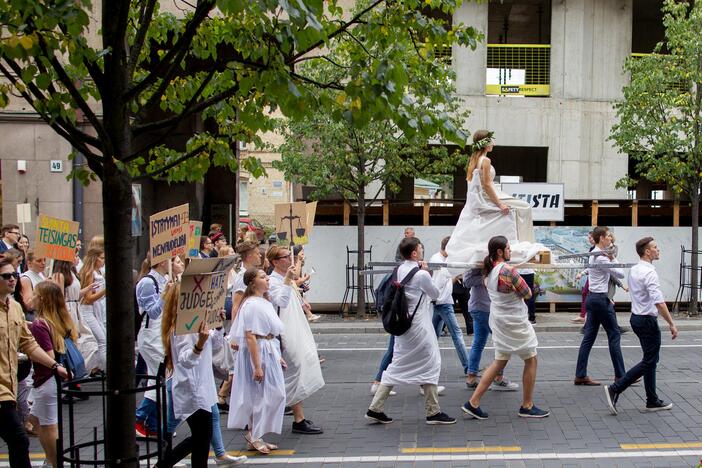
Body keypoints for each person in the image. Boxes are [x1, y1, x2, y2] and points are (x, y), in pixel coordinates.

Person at [366, 237, 456, 426]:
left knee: (396, 364)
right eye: (420, 249)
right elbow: (436, 294)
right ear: (414, 253)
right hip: (419, 327)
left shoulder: (398, 270)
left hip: (403, 325)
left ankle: (375, 408)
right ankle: (433, 411)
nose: (422, 251)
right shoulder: (421, 274)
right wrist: (426, 272)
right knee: (432, 361)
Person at [461, 236, 549, 420]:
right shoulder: (509, 271)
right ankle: (527, 405)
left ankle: (473, 402)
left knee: (500, 360)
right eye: (508, 248)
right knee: (531, 359)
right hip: (515, 322)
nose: (511, 251)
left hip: (499, 321)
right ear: (500, 251)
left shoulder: (488, 272)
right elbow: (527, 293)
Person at [0, 258, 69, 468]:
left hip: (10, 387)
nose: (13, 279)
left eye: (15, 275)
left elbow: (28, 344)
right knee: (19, 439)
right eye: (6, 276)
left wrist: (54, 366)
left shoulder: (15, 308)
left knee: (18, 439)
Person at [446, 130, 542, 266]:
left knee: (522, 206)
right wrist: (500, 204)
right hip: (487, 196)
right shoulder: (485, 160)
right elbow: (486, 185)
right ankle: (526, 242)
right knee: (525, 207)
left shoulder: (475, 160)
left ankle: (523, 242)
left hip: (486, 195)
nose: (493, 143)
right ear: (485, 143)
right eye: (491, 140)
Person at [604, 237, 678, 415]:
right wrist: (672, 323)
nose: (658, 250)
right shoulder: (650, 273)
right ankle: (616, 388)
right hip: (647, 320)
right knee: (650, 361)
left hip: (636, 317)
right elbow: (659, 302)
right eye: (655, 247)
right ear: (647, 252)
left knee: (649, 360)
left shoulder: (636, 269)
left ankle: (652, 400)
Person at [160, 283, 225, 468]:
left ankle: (163, 464)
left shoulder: (197, 322)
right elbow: (185, 361)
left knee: (201, 438)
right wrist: (200, 344)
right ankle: (163, 464)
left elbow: (216, 347)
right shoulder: (182, 327)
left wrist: (219, 327)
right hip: (192, 388)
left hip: (203, 387)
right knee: (201, 438)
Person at [228, 268, 286, 454]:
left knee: (273, 394)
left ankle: (255, 434)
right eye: (262, 277)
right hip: (258, 351)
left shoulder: (263, 301)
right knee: (260, 395)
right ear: (252, 283)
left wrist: (277, 356)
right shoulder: (252, 304)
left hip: (267, 349)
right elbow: (251, 335)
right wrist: (257, 366)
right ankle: (253, 435)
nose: (267, 279)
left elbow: (269, 333)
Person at [267, 245, 324, 434]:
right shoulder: (273, 281)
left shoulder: (286, 279)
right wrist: (288, 280)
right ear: (275, 261)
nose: (290, 259)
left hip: (295, 328)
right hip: (283, 333)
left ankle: (299, 418)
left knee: (296, 369)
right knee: (291, 371)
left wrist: (302, 301)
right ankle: (263, 415)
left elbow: (292, 297)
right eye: (285, 257)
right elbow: (280, 302)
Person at [28, 281, 79, 468]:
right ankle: (50, 460)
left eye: (34, 294)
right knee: (34, 420)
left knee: (49, 426)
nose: (31, 298)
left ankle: (55, 462)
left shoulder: (40, 324)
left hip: (46, 380)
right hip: (53, 381)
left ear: (41, 299)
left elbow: (48, 356)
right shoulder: (60, 319)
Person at [574, 226, 626, 386]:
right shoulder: (602, 258)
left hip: (592, 298)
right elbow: (621, 273)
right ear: (602, 238)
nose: (611, 239)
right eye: (609, 236)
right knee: (614, 334)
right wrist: (611, 258)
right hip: (600, 300)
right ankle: (621, 376)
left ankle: (580, 375)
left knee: (589, 337)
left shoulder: (593, 254)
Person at [463, 268, 518, 391]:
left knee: (479, 342)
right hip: (483, 308)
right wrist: (485, 279)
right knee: (502, 342)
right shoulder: (479, 261)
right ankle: (497, 377)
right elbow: (466, 281)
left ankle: (472, 378)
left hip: (483, 307)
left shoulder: (491, 262)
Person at [135, 258, 171, 437]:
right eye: (174, 259)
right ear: (162, 262)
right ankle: (138, 418)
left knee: (155, 379)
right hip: (150, 337)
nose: (177, 262)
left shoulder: (165, 280)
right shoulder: (148, 282)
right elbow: (153, 312)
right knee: (161, 378)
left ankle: (152, 424)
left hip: (159, 335)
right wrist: (166, 295)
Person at [51, 260, 98, 399]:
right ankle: (70, 383)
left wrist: (88, 288)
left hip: (75, 311)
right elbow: (59, 298)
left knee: (79, 345)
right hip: (67, 312)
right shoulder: (59, 275)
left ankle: (76, 381)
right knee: (69, 348)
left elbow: (75, 295)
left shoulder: (71, 272)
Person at [429, 236, 471, 378]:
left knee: (433, 336)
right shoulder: (438, 261)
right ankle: (468, 367)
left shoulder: (438, 259)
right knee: (457, 334)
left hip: (440, 302)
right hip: (443, 302)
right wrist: (438, 299)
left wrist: (454, 277)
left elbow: (442, 282)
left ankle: (426, 364)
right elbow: (438, 284)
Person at [78, 248, 107, 372]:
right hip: (88, 310)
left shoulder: (99, 272)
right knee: (102, 340)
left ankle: (99, 367)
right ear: (94, 258)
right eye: (101, 258)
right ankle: (104, 369)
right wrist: (105, 291)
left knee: (103, 339)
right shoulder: (89, 273)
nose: (103, 261)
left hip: (98, 309)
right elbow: (88, 298)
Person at [572, 231, 595, 324]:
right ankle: (583, 315)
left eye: (591, 238)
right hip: (591, 275)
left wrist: (582, 273)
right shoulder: (592, 249)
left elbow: (592, 265)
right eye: (589, 238)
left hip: (594, 276)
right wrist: (583, 273)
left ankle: (585, 316)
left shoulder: (597, 250)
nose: (590, 240)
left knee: (588, 294)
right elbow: (590, 265)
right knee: (585, 293)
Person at [19, 251, 47, 322]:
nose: (43, 263)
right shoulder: (26, 278)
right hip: (35, 317)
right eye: (39, 261)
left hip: (44, 314)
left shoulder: (41, 275)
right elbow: (28, 305)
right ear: (29, 263)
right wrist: (43, 290)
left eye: (44, 260)